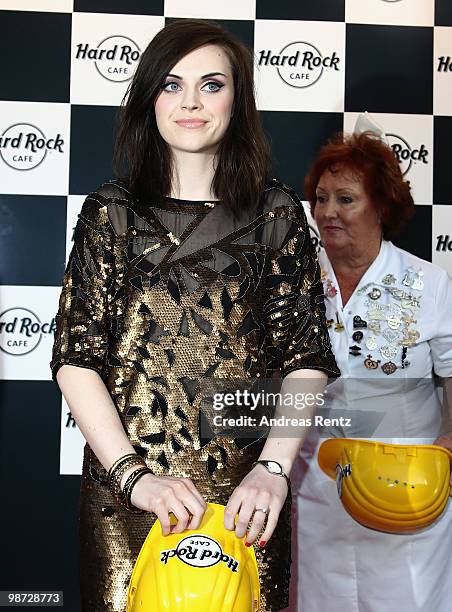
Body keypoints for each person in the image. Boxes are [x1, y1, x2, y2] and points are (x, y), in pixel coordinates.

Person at [50, 20, 339, 612]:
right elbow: (77, 360)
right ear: (148, 97)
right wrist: (135, 478)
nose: (190, 103)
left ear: (238, 99)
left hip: (246, 496)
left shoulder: (277, 213)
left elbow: (306, 358)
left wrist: (274, 471)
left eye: (211, 85)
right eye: (171, 85)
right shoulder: (111, 212)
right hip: (128, 498)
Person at [292, 129, 452, 612]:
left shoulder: (428, 282)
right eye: (320, 199)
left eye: (345, 199)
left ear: (381, 205)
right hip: (315, 488)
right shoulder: (294, 278)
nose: (327, 212)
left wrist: (447, 447)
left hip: (406, 489)